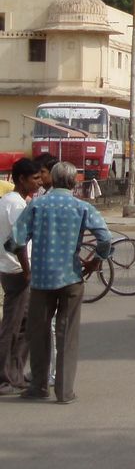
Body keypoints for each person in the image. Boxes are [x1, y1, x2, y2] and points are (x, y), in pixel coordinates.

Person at [11, 161, 112, 403]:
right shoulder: (81, 207)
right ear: (75, 181)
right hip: (71, 277)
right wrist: (95, 261)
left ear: (52, 180)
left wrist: (27, 268)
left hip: (42, 279)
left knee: (39, 333)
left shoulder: (37, 205)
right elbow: (105, 238)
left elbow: (15, 240)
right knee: (67, 333)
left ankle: (38, 386)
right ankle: (64, 391)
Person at [0, 158, 41, 394]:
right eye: (34, 179)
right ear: (22, 179)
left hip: (11, 269)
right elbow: (19, 242)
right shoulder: (16, 204)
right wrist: (27, 272)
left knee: (24, 324)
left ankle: (15, 373)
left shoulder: (9, 201)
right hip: (17, 271)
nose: (38, 183)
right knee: (12, 326)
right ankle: (5, 377)